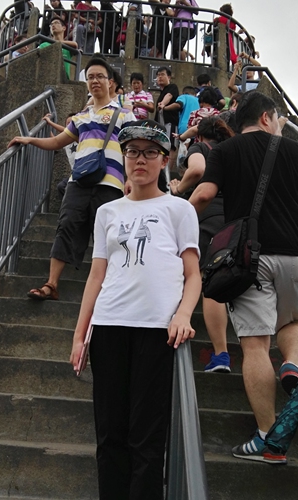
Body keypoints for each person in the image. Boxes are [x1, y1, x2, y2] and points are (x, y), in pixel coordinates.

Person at [70, 119, 201, 499]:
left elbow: (193, 274)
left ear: (165, 160)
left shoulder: (179, 209)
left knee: (147, 438)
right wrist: (80, 336)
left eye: (149, 152)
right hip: (108, 326)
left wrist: (182, 314)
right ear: (123, 157)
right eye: (131, 151)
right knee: (110, 435)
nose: (139, 159)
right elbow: (96, 276)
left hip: (156, 330)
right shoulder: (107, 212)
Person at [188, 91, 298, 464]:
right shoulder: (294, 150)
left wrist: (177, 221)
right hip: (295, 256)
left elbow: (204, 194)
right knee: (291, 322)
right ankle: (293, 364)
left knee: (255, 346)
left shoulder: (226, 151)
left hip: (250, 258)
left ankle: (268, 439)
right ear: (267, 117)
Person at [7, 57, 136, 300]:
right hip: (78, 181)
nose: (94, 81)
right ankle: (51, 284)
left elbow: (133, 149)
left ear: (110, 82)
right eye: (90, 77)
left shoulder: (124, 116)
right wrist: (30, 139)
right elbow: (58, 141)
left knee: (109, 234)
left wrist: (130, 179)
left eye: (99, 76)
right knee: (66, 225)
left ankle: (113, 288)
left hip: (111, 183)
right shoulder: (80, 117)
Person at [170, 116, 235, 372]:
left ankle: (221, 354)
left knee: (209, 281)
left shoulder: (200, 147)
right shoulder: (232, 150)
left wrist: (178, 190)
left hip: (207, 218)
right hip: (234, 220)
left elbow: (197, 170)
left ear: (199, 136)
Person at [154, 66, 179, 169]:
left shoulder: (172, 87)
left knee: (170, 146)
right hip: (160, 125)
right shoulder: (161, 92)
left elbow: (168, 96)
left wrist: (163, 104)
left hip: (170, 123)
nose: (160, 77)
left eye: (162, 74)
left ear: (169, 77)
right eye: (158, 75)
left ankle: (168, 172)